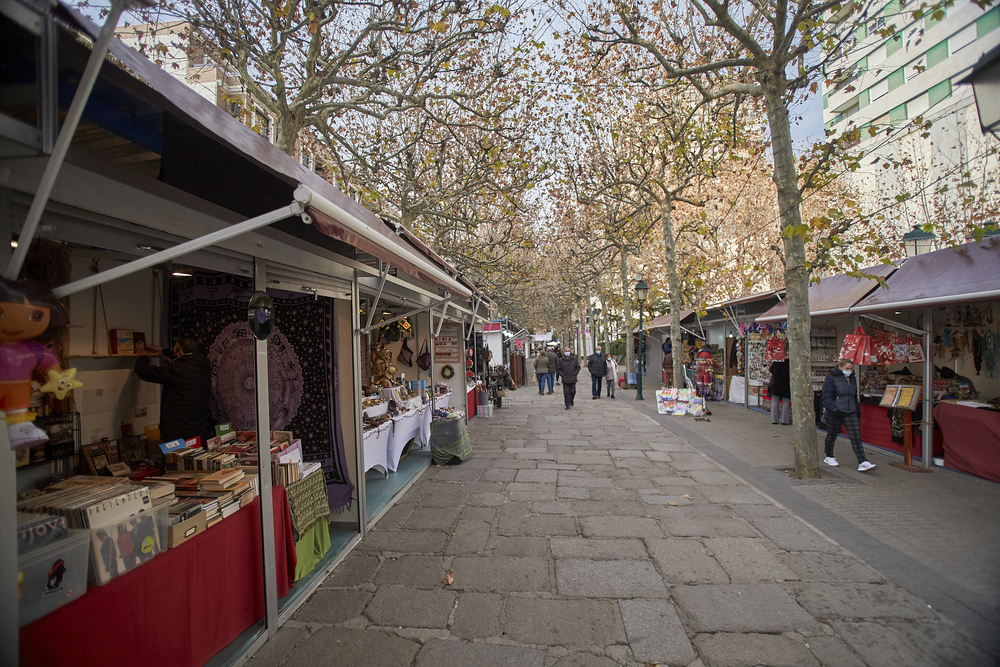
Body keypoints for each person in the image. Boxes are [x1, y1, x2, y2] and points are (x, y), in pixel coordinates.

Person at [135, 336, 212, 443]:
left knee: (174, 459)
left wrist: (143, 357)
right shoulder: (203, 365)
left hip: (177, 430)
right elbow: (185, 361)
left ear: (180, 352)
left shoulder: (178, 369)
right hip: (198, 426)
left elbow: (144, 372)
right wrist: (163, 351)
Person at [821, 359, 876, 472]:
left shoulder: (852, 378)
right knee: (832, 434)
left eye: (851, 369)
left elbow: (854, 395)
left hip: (850, 411)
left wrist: (857, 409)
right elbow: (826, 396)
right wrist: (834, 409)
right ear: (840, 367)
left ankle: (862, 461)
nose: (849, 371)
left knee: (856, 436)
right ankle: (829, 456)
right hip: (835, 411)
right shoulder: (832, 378)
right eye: (847, 369)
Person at [768, 359, 791, 425]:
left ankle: (774, 419)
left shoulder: (777, 361)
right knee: (786, 403)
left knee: (775, 402)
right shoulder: (789, 362)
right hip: (786, 384)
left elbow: (771, 370)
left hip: (776, 383)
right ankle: (785, 420)